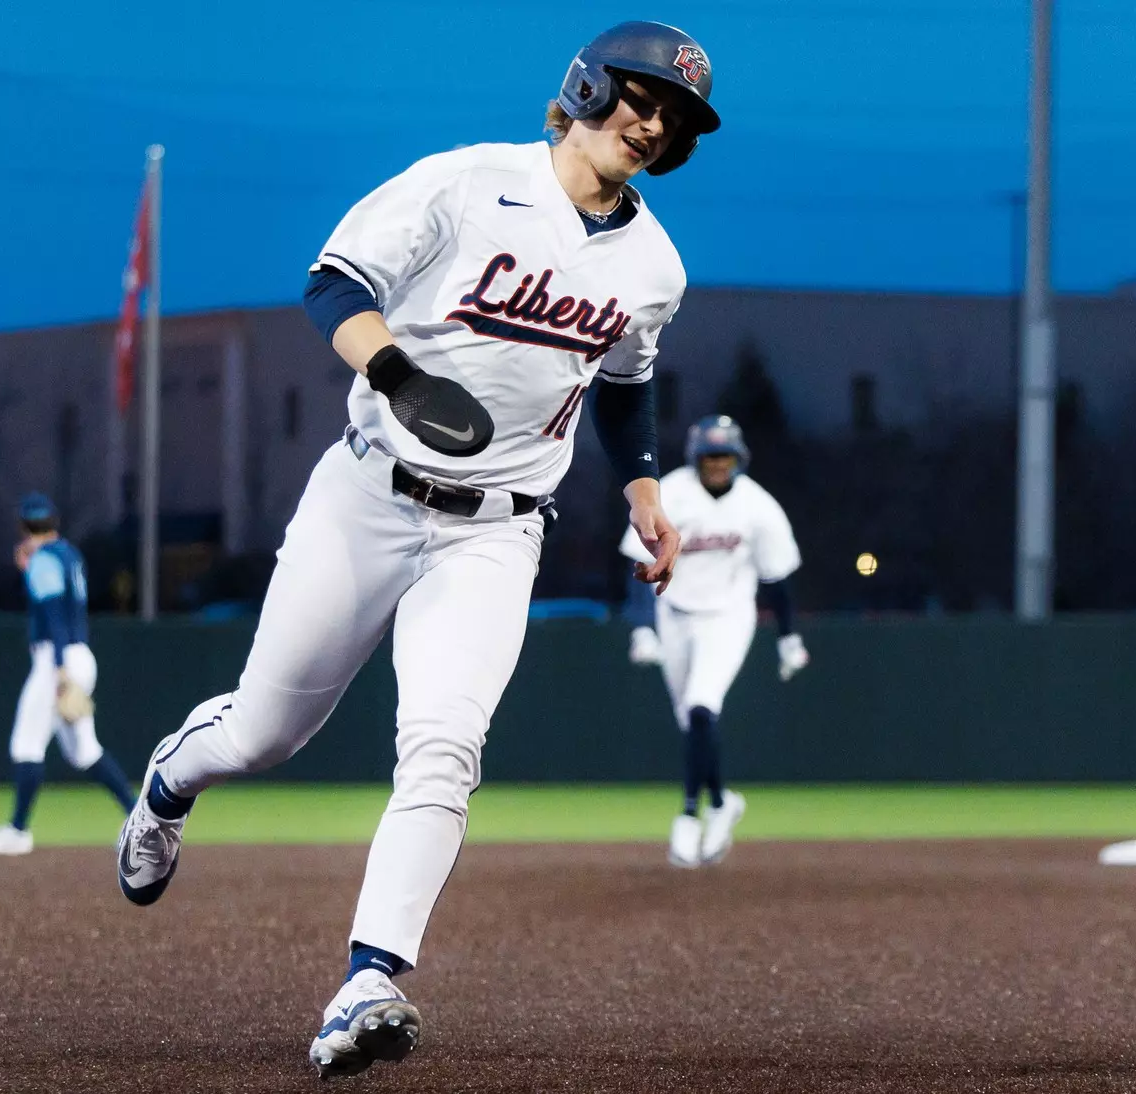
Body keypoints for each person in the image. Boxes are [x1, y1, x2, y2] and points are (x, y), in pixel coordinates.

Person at [115, 21, 722, 1077]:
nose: (652, 122)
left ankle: (368, 977)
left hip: (497, 531)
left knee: (444, 746)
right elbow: (332, 285)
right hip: (368, 494)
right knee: (263, 732)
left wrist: (643, 490)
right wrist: (399, 375)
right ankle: (169, 781)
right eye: (640, 95)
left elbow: (624, 387)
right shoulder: (467, 182)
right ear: (584, 84)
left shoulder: (655, 265)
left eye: (672, 119)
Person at [620, 415, 808, 868]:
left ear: (738, 458)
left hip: (728, 617)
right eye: (710, 455)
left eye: (725, 455)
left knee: (703, 707)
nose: (718, 464)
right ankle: (722, 802)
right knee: (693, 724)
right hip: (674, 614)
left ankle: (689, 815)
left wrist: (788, 637)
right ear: (696, 458)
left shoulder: (758, 506)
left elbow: (776, 577)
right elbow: (635, 562)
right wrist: (643, 625)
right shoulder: (672, 494)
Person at [0, 493, 138, 855]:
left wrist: (60, 670)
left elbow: (54, 613)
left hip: (56, 660)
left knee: (26, 742)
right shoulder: (68, 554)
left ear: (23, 527)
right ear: (54, 524)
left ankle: (17, 830)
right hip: (82, 655)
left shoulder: (43, 560)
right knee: (83, 751)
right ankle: (140, 821)